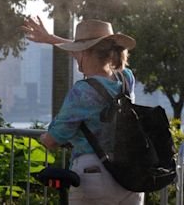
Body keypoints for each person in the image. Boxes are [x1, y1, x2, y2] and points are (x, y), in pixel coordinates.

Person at [22, 17, 144, 205]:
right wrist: (51, 38)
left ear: (85, 52)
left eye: (78, 51)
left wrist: (43, 137)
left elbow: (53, 140)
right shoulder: (126, 79)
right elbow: (94, 54)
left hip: (94, 177)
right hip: (131, 177)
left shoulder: (83, 91)